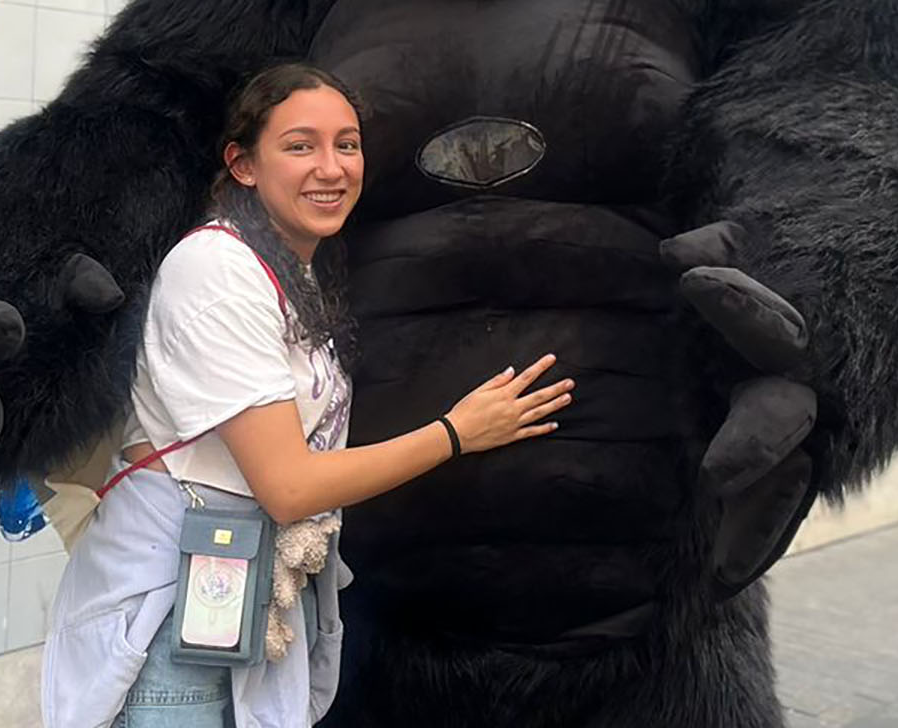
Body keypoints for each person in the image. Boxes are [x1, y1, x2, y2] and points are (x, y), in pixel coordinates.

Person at [40, 63, 574, 727]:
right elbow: (288, 486)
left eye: (345, 144)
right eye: (300, 146)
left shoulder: (292, 270)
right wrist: (458, 433)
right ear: (242, 164)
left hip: (238, 611)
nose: (331, 167)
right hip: (170, 628)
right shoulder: (217, 270)